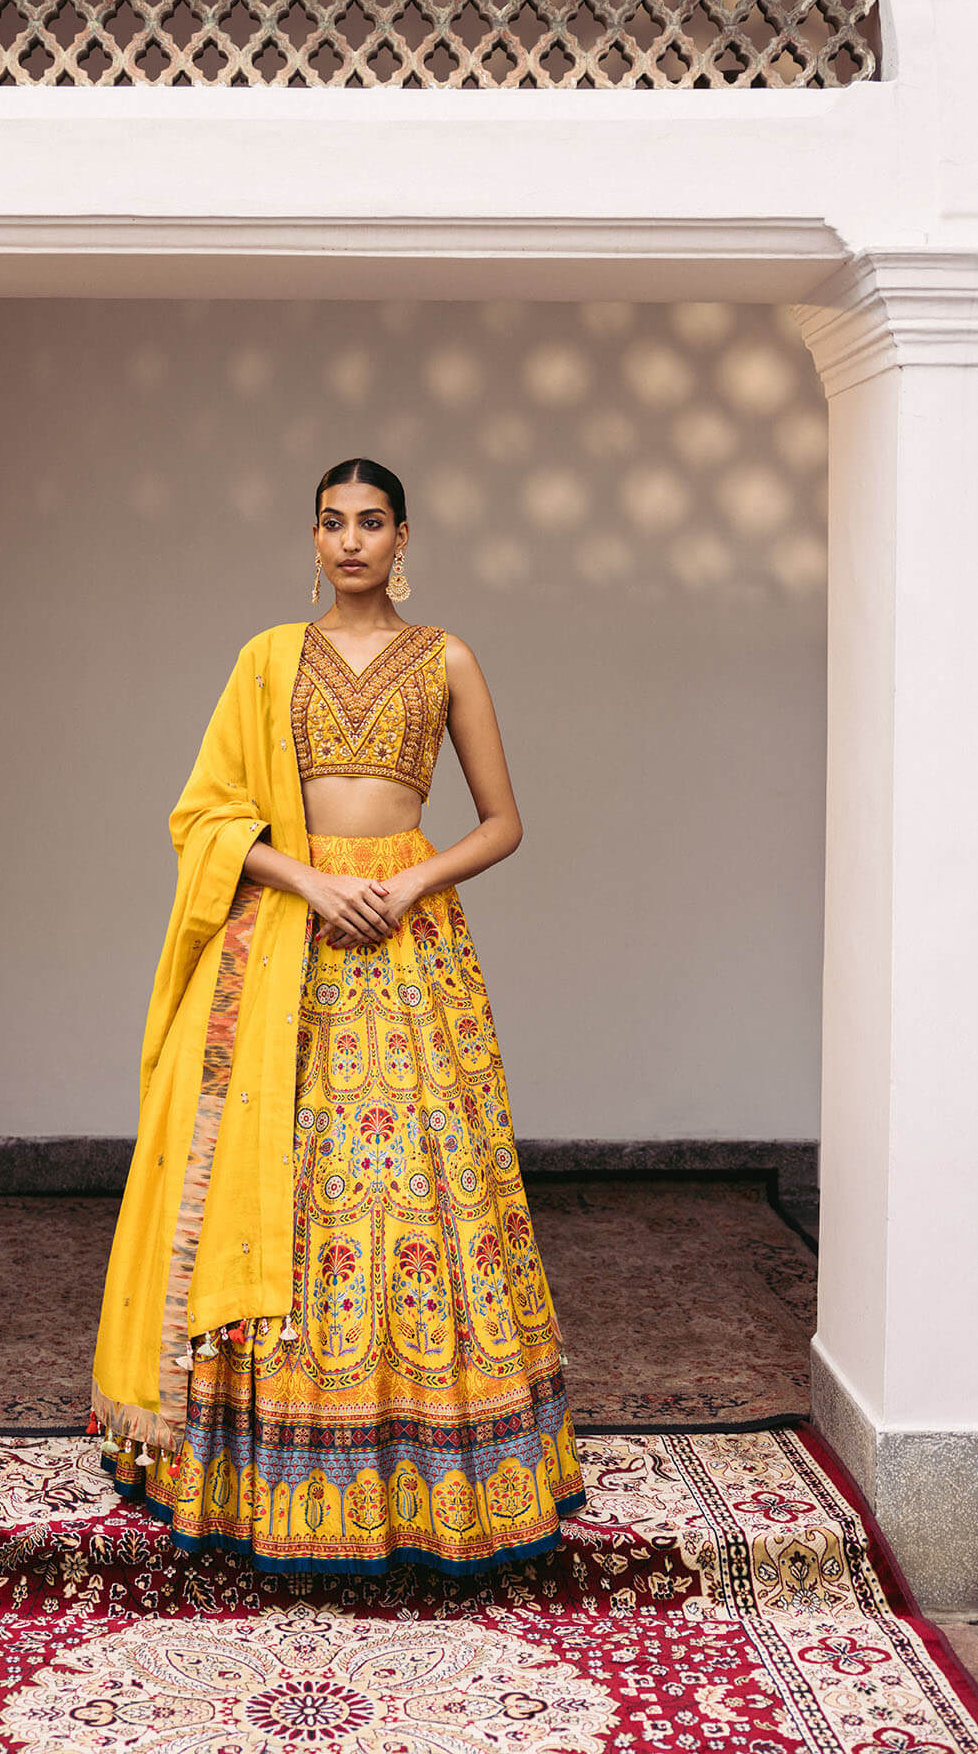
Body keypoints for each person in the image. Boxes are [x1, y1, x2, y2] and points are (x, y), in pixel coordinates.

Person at [90, 457, 586, 1575]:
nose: (350, 540)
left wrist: (408, 882)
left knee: (418, 1186)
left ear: (402, 536)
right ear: (311, 540)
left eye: (370, 522)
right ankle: (255, 1464)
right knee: (291, 1179)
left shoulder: (447, 657)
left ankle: (430, 1463)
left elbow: (501, 821)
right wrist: (310, 884)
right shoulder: (266, 660)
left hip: (407, 944)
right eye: (331, 522)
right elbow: (204, 815)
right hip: (287, 939)